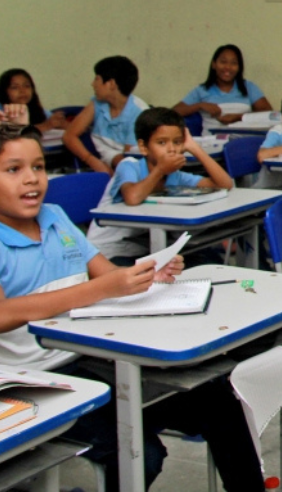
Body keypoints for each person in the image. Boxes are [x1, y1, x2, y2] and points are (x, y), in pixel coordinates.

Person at [0, 121, 263, 490]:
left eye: (39, 167)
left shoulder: (55, 216)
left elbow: (106, 276)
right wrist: (102, 287)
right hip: (35, 382)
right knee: (142, 454)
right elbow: (4, 314)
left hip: (87, 355)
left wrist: (145, 274)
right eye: (14, 170)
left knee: (217, 397)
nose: (31, 179)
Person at [89, 107, 234, 263]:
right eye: (161, 142)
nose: (171, 149)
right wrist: (160, 170)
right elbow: (132, 197)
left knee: (207, 261)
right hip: (108, 252)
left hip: (147, 248)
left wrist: (195, 149)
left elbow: (225, 184)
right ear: (144, 147)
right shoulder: (129, 165)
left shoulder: (174, 175)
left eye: (177, 142)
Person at [62, 56, 147, 174]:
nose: (93, 84)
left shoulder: (139, 113)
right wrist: (92, 161)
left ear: (111, 84)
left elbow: (128, 160)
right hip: (100, 164)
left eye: (97, 79)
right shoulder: (97, 103)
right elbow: (69, 136)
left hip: (127, 169)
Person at [173, 45, 273, 134]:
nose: (228, 67)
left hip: (243, 143)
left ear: (239, 68)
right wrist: (199, 105)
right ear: (214, 64)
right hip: (210, 144)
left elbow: (269, 114)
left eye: (234, 63)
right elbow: (173, 112)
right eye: (223, 62)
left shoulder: (249, 87)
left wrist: (239, 117)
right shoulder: (202, 90)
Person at [0, 69, 66, 134]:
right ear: (4, 91)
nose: (22, 91)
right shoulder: (1, 112)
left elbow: (61, 125)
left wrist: (60, 123)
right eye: (15, 87)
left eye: (27, 86)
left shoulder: (37, 109)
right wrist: (44, 126)